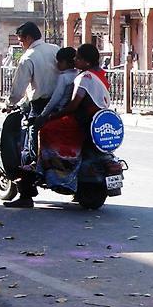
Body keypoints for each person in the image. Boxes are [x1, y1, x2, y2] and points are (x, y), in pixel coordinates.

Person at [35, 43, 111, 201]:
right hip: (97, 119)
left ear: (86, 62)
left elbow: (73, 106)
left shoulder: (84, 77)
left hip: (81, 120)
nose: (74, 60)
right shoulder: (100, 73)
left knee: (47, 129)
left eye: (78, 58)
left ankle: (52, 169)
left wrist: (49, 117)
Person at [3, 21, 59, 208]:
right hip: (60, 106)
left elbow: (18, 89)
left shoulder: (28, 57)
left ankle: (26, 194)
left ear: (27, 38)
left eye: (20, 41)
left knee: (28, 149)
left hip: (40, 107)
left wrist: (9, 104)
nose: (20, 44)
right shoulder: (55, 49)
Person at [32, 47, 78, 155]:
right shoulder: (78, 75)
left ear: (66, 63)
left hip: (60, 110)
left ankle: (36, 160)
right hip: (72, 113)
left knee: (36, 130)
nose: (57, 65)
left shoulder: (64, 77)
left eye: (59, 62)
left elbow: (56, 98)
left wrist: (43, 115)